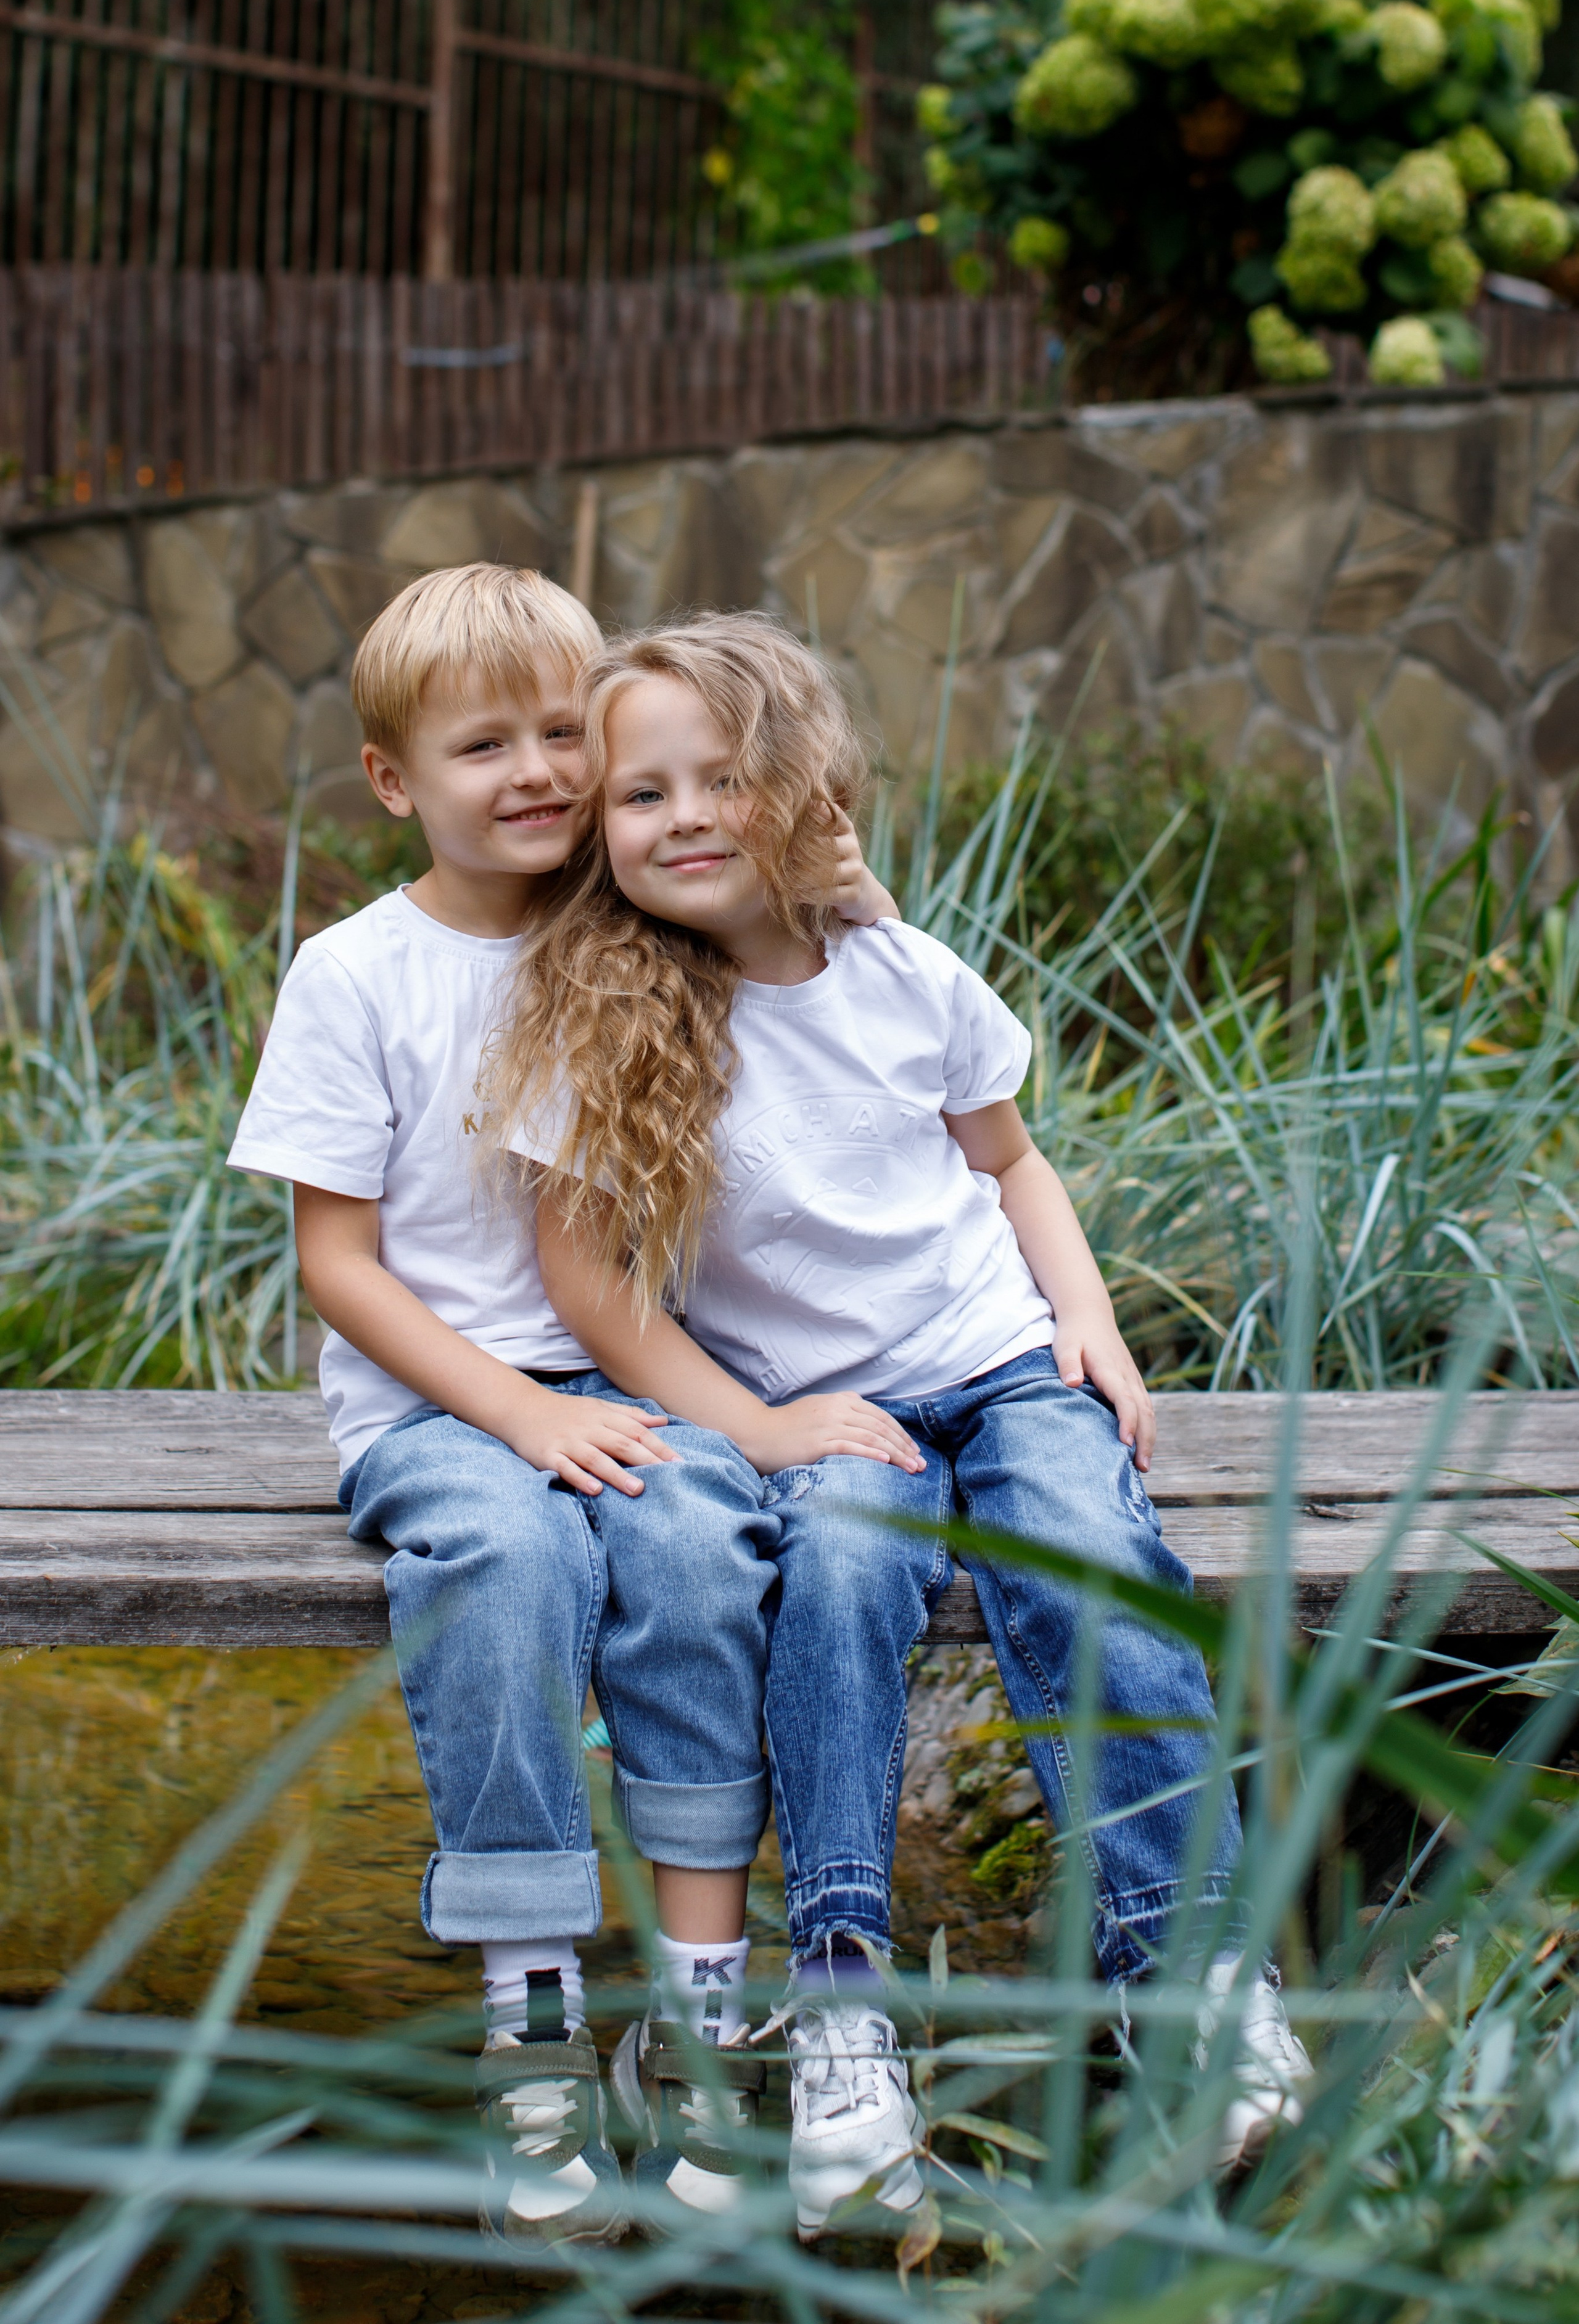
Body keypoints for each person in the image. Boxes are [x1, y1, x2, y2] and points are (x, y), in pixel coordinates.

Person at [491, 611, 1314, 2239]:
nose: (684, 818)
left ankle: (1196, 1980)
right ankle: (849, 2007)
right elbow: (589, 1287)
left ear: (804, 792)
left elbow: (1010, 1163)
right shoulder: (612, 1017)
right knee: (845, 1581)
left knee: (1086, 1549)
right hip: (824, 1414)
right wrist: (763, 1425)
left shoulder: (902, 968)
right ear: (602, 833)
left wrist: (1085, 1320)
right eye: (642, 795)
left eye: (723, 778)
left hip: (999, 1361)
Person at [226, 566, 897, 2245]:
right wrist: (522, 1425)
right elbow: (341, 1266)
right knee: (507, 1563)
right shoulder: (355, 974)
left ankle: (701, 2002)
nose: (532, 773)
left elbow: (842, 954)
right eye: (481, 746)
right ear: (397, 782)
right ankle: (532, 2008)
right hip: (435, 1404)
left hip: (626, 1380)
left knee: (695, 1546)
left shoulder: (645, 934)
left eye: (559, 735)